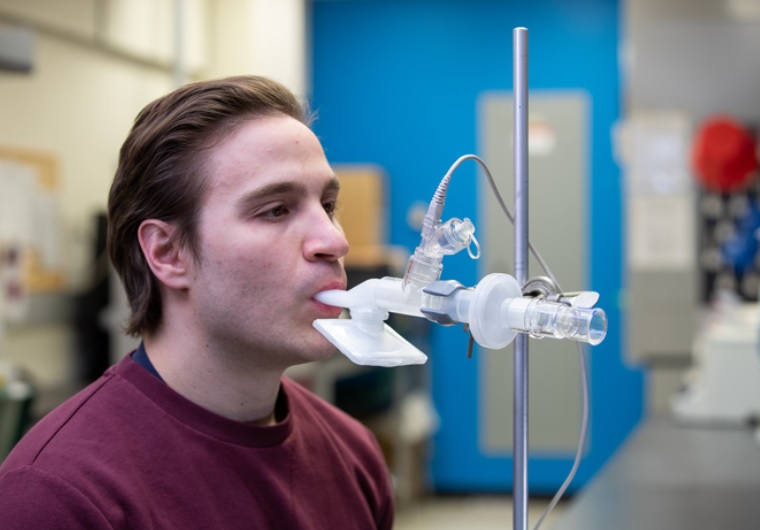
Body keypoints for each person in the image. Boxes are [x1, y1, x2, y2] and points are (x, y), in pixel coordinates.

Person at [0, 76, 395, 529]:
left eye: (327, 205)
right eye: (276, 210)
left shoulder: (354, 455)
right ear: (167, 254)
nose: (335, 240)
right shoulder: (56, 497)